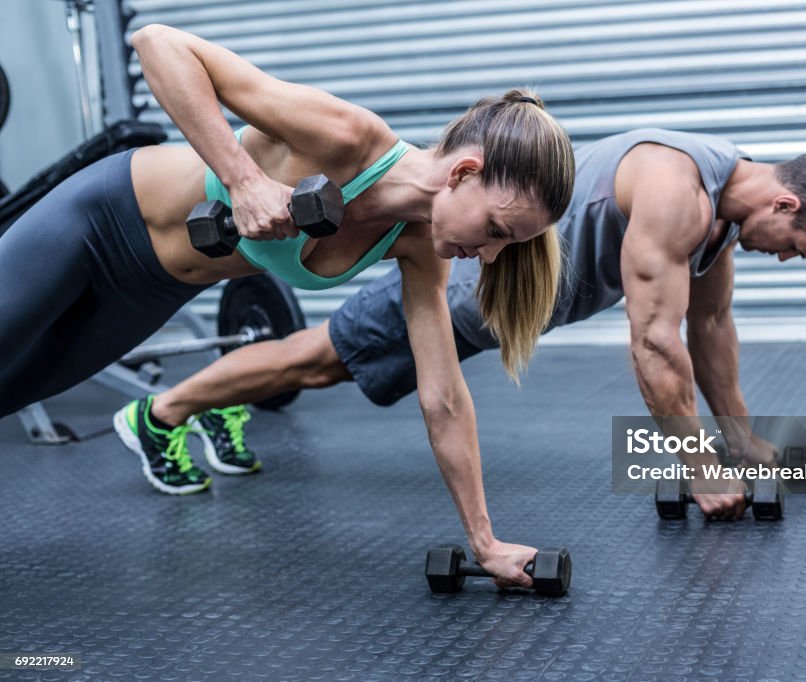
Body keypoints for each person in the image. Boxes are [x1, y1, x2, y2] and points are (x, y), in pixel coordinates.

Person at [0, 25, 576, 588]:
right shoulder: (344, 137)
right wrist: (241, 178)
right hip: (96, 222)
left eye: (509, 243)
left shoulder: (419, 247)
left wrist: (485, 542)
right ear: (464, 171)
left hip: (152, 290)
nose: (493, 255)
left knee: (14, 390)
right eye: (497, 229)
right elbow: (157, 42)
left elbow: (444, 396)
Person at [131, 128, 806, 520]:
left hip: (509, 307)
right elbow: (654, 342)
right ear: (787, 206)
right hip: (470, 287)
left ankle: (207, 410)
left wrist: (740, 441)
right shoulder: (680, 188)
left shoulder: (720, 219)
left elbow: (711, 333)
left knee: (324, 362)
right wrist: (698, 466)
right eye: (802, 250)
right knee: (321, 360)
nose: (788, 262)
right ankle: (162, 412)